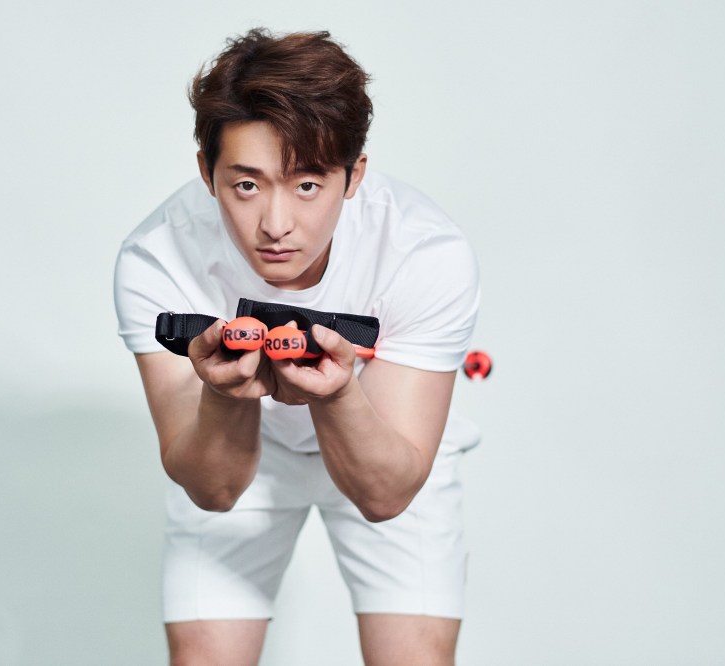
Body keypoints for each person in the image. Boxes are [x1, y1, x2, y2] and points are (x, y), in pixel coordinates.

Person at [114, 28, 481, 665]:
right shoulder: (156, 259)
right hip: (236, 448)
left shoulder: (425, 254)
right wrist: (225, 395)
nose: (276, 225)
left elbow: (387, 494)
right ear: (206, 173)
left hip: (385, 433)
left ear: (353, 174)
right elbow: (213, 490)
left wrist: (337, 396)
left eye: (307, 185)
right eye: (247, 185)